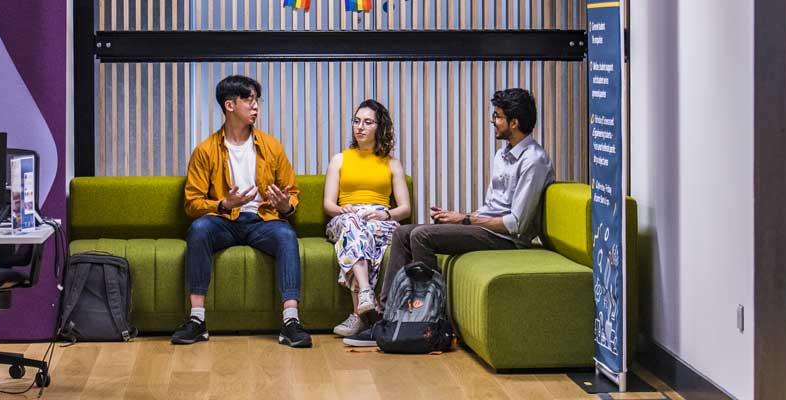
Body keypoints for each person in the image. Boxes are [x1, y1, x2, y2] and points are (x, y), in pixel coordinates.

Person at [344, 88, 553, 348]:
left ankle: (429, 324)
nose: (492, 121)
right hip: (489, 229)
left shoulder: (534, 161)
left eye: (497, 116)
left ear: (514, 123)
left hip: (508, 239)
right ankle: (386, 320)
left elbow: (516, 224)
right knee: (402, 233)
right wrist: (457, 218)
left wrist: (463, 220)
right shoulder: (503, 155)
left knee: (422, 236)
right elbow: (490, 208)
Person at [174, 75, 312, 348]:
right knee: (199, 229)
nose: (255, 106)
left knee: (286, 235)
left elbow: (292, 193)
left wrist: (285, 205)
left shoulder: (271, 146)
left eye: (257, 100)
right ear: (229, 105)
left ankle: (291, 321)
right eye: (248, 100)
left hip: (262, 220)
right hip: (224, 221)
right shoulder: (205, 151)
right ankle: (197, 320)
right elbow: (192, 203)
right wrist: (224, 204)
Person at [321, 99, 411, 336]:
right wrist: (345, 210)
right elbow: (329, 204)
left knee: (366, 232)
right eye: (356, 121)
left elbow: (405, 209)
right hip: (345, 217)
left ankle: (358, 314)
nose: (360, 127)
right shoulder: (339, 159)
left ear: (380, 128)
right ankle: (365, 294)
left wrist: (385, 213)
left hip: (378, 220)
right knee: (353, 226)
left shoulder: (392, 164)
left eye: (367, 122)